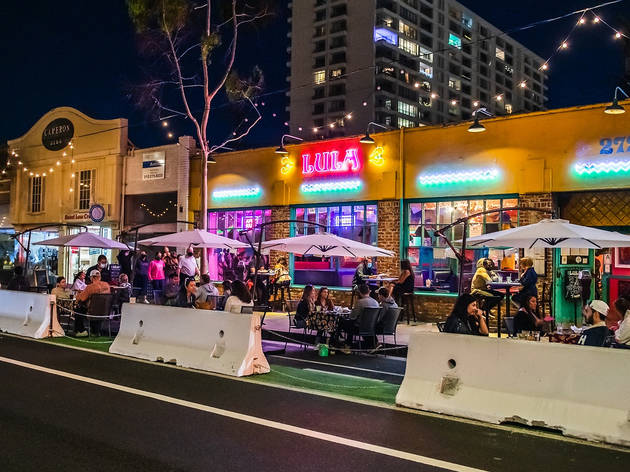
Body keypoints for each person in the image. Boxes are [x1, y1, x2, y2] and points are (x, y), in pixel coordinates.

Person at [76, 270, 111, 336]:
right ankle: (95, 331)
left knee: (79, 308)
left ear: (92, 278)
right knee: (96, 307)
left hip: (92, 311)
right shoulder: (107, 285)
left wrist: (78, 294)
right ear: (100, 277)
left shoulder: (90, 287)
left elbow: (81, 298)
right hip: (105, 311)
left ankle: (81, 331)